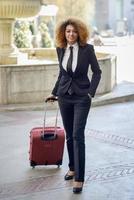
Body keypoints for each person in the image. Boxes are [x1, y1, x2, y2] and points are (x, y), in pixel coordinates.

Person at [46, 18, 102, 194]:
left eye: (74, 31)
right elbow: (62, 74)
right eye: (68, 31)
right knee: (69, 135)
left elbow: (97, 72)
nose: (71, 34)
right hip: (64, 97)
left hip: (81, 98)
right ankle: (72, 167)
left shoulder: (87, 50)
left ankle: (79, 178)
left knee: (78, 135)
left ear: (80, 33)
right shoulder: (61, 49)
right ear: (64, 32)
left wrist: (89, 93)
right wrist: (54, 92)